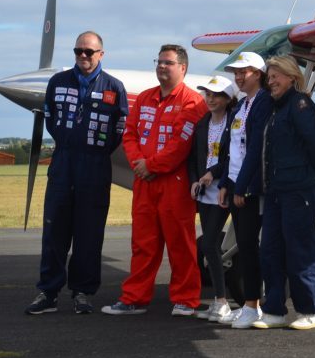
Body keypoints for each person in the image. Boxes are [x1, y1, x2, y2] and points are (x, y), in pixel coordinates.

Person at [25, 31, 128, 315]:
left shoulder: (114, 87)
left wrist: (96, 148)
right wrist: (68, 141)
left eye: (89, 52)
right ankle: (48, 291)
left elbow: (120, 127)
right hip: (64, 163)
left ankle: (82, 292)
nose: (83, 56)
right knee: (54, 230)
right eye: (78, 51)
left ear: (101, 55)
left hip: (95, 166)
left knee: (89, 233)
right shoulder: (58, 82)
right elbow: (50, 116)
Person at [103, 44, 208, 316]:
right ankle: (134, 298)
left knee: (180, 245)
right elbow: (129, 134)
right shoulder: (146, 98)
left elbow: (180, 144)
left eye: (168, 63)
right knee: (142, 244)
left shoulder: (192, 102)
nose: (162, 66)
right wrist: (140, 165)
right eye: (159, 62)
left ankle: (186, 299)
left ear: (182, 68)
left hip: (174, 184)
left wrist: (152, 166)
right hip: (145, 183)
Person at [251, 55, 315, 330]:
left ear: (292, 77)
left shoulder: (300, 105)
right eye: (268, 77)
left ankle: (309, 310)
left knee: (300, 250)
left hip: (300, 190)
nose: (270, 82)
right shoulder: (275, 109)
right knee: (270, 250)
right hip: (276, 191)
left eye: (276, 77)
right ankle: (273, 310)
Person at [215, 51, 272, 329]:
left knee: (249, 246)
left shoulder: (263, 103)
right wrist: (225, 183)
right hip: (237, 183)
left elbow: (255, 150)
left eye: (244, 72)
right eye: (236, 73)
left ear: (258, 74)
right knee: (246, 246)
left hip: (251, 187)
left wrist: (244, 186)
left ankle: (253, 305)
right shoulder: (240, 107)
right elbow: (230, 151)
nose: (238, 77)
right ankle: (250, 302)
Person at [187, 75, 237, 322]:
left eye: (216, 95)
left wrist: (213, 174)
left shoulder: (235, 123)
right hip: (204, 191)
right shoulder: (202, 124)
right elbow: (194, 157)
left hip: (224, 189)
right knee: (210, 245)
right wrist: (195, 180)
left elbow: (233, 157)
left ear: (228, 99)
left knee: (207, 244)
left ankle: (222, 301)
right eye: (207, 94)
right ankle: (220, 301)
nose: (210, 99)